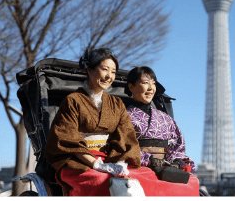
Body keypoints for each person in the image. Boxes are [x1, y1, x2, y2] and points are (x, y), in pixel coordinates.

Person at [45, 48, 141, 196]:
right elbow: (66, 136)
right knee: (100, 182)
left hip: (110, 160)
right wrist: (95, 164)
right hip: (78, 161)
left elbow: (126, 137)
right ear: (90, 71)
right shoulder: (73, 100)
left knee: (137, 181)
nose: (109, 76)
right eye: (105, 69)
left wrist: (119, 164)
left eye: (114, 72)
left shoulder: (117, 103)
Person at [124, 66, 200, 195]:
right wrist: (148, 160)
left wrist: (177, 161)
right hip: (139, 167)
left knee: (192, 182)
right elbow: (123, 146)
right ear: (131, 87)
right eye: (145, 83)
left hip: (165, 168)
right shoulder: (124, 116)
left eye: (153, 83)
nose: (150, 88)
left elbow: (177, 146)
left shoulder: (165, 118)